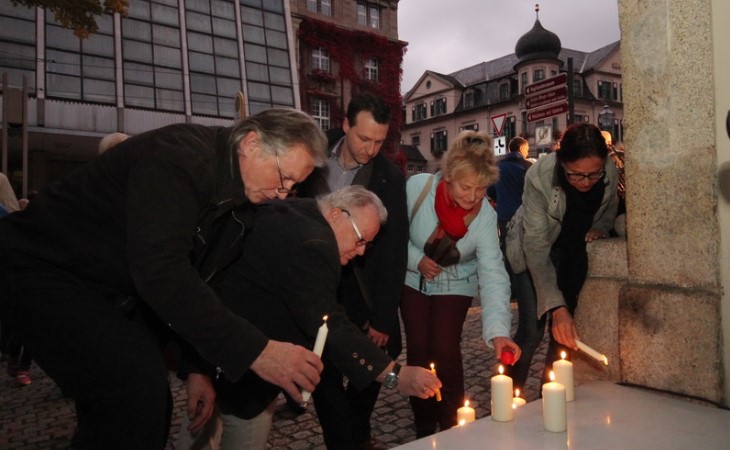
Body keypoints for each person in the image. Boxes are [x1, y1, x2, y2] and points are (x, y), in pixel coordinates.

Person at [0, 108, 330, 450]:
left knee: (136, 403)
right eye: (282, 176)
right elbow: (162, 272)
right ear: (251, 143)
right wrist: (258, 351)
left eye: (292, 186)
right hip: (42, 265)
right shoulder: (179, 159)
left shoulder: (241, 204)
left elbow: (199, 284)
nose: (282, 192)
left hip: (109, 289)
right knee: (133, 391)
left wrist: (196, 368)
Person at [178, 185, 441, 450]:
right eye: (360, 239)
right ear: (337, 215)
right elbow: (330, 324)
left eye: (367, 245)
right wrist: (396, 374)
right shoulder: (314, 244)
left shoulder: (298, 211)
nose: (361, 252)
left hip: (217, 361)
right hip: (240, 376)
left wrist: (197, 368)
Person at [297, 92, 409, 450]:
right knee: (325, 377)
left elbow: (394, 252)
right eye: (364, 138)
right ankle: (341, 440)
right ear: (345, 125)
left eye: (379, 141)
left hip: (361, 289)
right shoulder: (310, 156)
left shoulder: (390, 178)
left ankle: (357, 433)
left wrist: (383, 318)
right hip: (314, 286)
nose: (370, 149)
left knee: (370, 371)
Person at [401, 130, 521, 437]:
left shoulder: (483, 217)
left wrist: (497, 332)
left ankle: (453, 426)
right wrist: (416, 260)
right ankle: (424, 426)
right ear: (449, 176)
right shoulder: (417, 188)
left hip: (457, 281)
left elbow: (493, 273)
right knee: (418, 350)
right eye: (466, 187)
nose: (473, 196)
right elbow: (392, 237)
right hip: (412, 278)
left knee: (445, 349)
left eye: (481, 189)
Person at [505, 123, 619, 392]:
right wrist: (556, 307)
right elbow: (534, 246)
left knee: (563, 334)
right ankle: (510, 396)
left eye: (593, 175)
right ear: (561, 161)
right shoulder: (539, 176)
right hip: (532, 250)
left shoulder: (609, 172)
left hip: (571, 253)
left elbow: (611, 204)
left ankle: (550, 394)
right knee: (532, 331)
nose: (586, 182)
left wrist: (601, 226)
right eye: (576, 175)